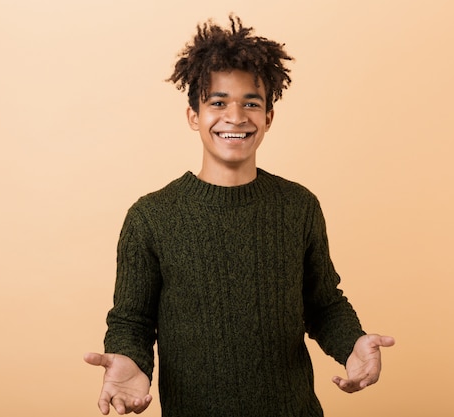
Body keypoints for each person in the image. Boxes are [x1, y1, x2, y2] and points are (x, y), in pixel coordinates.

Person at [84, 15, 395, 416]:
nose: (235, 116)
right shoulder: (151, 217)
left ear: (268, 117)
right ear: (193, 115)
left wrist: (353, 344)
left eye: (251, 103)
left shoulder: (298, 206)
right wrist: (129, 359)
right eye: (218, 102)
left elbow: (323, 304)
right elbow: (132, 319)